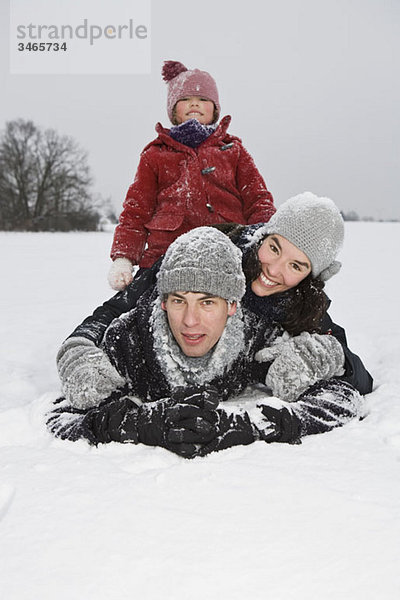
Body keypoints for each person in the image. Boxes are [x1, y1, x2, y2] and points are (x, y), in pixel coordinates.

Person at [48, 194, 372, 457]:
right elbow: (120, 309)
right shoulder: (200, 257)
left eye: (296, 265)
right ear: (264, 235)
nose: (274, 268)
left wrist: (315, 361)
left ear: (310, 277)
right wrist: (80, 349)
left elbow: (350, 373)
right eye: (274, 248)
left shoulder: (297, 309)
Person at [108, 60, 275, 291]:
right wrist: (123, 258)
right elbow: (136, 210)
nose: (194, 102)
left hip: (229, 251)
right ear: (173, 110)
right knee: (127, 309)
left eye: (203, 99)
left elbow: (258, 200)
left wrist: (263, 242)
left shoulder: (233, 151)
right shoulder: (155, 155)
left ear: (215, 109)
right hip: (165, 255)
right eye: (185, 99)